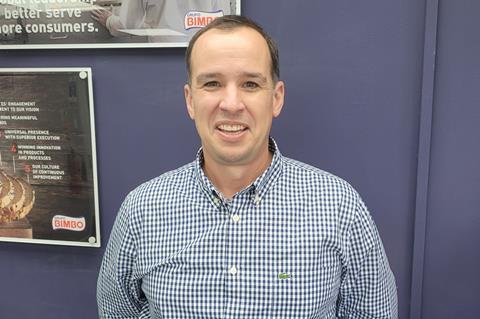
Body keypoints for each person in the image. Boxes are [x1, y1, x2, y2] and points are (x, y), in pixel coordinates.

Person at [97, 15, 398, 318]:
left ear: (276, 98)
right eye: (212, 83)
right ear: (190, 100)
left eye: (250, 84)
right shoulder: (141, 211)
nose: (231, 103)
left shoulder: (339, 207)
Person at [91, 0, 232, 39]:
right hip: (208, 53)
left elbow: (128, 26)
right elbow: (225, 18)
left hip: (163, 54)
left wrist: (109, 20)